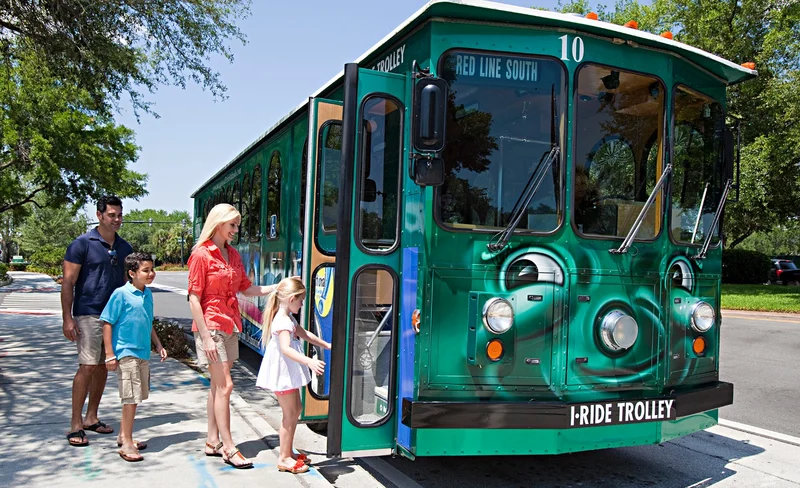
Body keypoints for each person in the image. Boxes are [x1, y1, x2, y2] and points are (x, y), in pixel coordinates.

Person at [187, 203, 278, 469]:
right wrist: (205, 337)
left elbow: (246, 288)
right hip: (211, 325)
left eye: (237, 225)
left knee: (218, 387)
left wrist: (277, 287)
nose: (236, 230)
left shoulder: (233, 254)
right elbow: (194, 298)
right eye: (232, 225)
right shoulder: (201, 254)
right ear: (218, 223)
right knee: (225, 386)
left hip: (230, 324)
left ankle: (212, 441)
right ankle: (228, 447)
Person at [62, 195, 133, 447]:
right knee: (88, 366)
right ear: (99, 215)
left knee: (103, 366)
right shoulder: (81, 244)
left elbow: (127, 285)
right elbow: (68, 282)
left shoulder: (125, 248)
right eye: (112, 215)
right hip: (88, 313)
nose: (117, 220)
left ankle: (91, 417)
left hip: (114, 317)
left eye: (119, 215)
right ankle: (75, 423)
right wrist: (67, 318)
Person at [256, 276, 330, 474]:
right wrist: (309, 361)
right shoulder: (282, 321)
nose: (302, 304)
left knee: (295, 410)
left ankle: (288, 452)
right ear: (291, 299)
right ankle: (284, 458)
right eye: (301, 300)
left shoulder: (287, 317)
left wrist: (325, 345)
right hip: (283, 374)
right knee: (289, 414)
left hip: (287, 372)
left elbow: (304, 333)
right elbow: (286, 349)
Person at [101, 252, 167, 462]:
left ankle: (123, 435)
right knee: (130, 398)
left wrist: (158, 344)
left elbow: (148, 322)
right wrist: (110, 354)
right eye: (145, 270)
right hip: (126, 352)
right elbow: (107, 323)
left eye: (152, 269)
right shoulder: (120, 294)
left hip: (143, 352)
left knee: (136, 397)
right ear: (132, 273)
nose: (151, 274)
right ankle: (127, 444)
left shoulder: (148, 294)